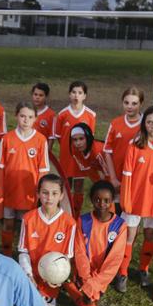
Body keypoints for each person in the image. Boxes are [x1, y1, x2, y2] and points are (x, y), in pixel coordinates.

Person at [114, 105, 153, 292]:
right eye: (149, 122)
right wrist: (126, 202)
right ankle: (122, 272)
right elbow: (127, 176)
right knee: (129, 235)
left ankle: (144, 269)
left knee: (150, 234)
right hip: (134, 201)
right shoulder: (135, 146)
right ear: (144, 123)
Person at [14, 173, 77, 306]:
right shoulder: (28, 218)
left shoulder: (69, 223)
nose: (49, 197)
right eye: (45, 192)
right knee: (26, 299)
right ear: (38, 194)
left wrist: (59, 277)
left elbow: (66, 257)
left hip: (51, 276)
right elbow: (23, 251)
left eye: (54, 193)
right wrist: (27, 274)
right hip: (31, 271)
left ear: (61, 195)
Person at [68, 180, 127, 306]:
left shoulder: (119, 225)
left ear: (112, 201)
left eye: (107, 200)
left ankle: (84, 302)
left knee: (90, 299)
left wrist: (95, 282)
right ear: (92, 200)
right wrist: (86, 279)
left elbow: (114, 261)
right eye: (97, 200)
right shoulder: (83, 221)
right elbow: (79, 252)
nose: (102, 204)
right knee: (87, 299)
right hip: (84, 272)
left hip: (102, 275)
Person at [0, 102, 50, 257]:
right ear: (16, 116)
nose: (26, 120)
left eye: (30, 117)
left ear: (35, 119)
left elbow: (43, 170)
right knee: (8, 223)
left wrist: (41, 194)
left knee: (28, 225)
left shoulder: (40, 140)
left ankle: (26, 254)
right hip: (10, 191)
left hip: (29, 192)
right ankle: (7, 254)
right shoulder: (7, 139)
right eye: (23, 116)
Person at [52, 80, 96, 217]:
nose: (76, 96)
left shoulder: (90, 115)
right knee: (65, 185)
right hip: (66, 157)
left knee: (78, 186)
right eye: (74, 92)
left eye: (80, 93)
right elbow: (58, 137)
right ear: (69, 94)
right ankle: (63, 213)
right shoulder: (62, 114)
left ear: (85, 96)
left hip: (81, 159)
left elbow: (90, 138)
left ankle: (76, 214)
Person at [103, 87, 144, 195]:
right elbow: (107, 151)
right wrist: (113, 178)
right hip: (117, 178)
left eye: (134, 103)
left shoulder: (147, 124)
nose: (130, 107)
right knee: (116, 209)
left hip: (138, 178)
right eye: (126, 102)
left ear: (141, 104)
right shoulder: (115, 123)